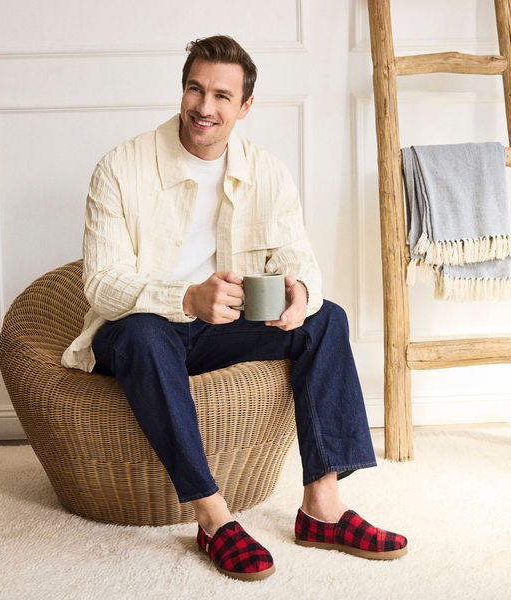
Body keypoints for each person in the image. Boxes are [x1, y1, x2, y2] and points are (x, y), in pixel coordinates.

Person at [61, 35, 408, 581]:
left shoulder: (266, 171)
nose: (205, 107)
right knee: (145, 334)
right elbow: (101, 285)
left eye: (222, 96)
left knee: (328, 319)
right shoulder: (120, 167)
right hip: (139, 330)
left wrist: (300, 292)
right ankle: (213, 516)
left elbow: (299, 259)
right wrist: (185, 298)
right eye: (195, 89)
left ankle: (322, 507)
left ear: (245, 107)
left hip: (221, 329)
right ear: (182, 91)